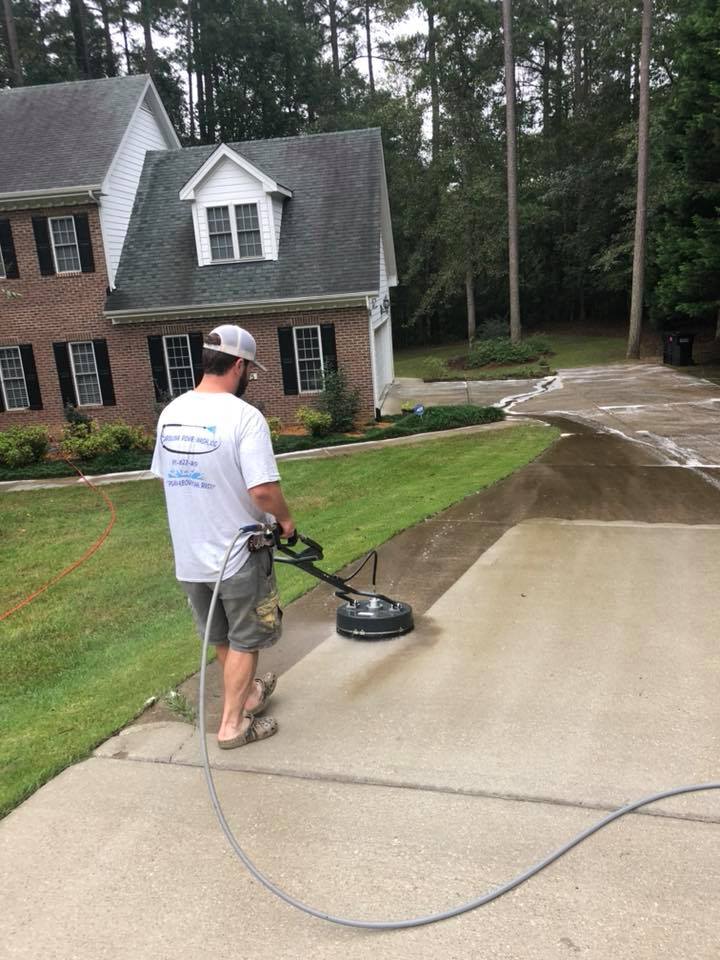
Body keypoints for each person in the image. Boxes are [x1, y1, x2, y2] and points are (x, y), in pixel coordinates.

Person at [151, 324, 295, 749]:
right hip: (237, 555)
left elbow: (169, 480)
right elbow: (263, 491)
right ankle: (233, 726)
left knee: (222, 636)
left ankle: (248, 695)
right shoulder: (243, 417)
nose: (248, 375)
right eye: (248, 368)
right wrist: (285, 521)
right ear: (238, 365)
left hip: (190, 558)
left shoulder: (171, 413)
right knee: (246, 640)